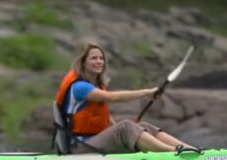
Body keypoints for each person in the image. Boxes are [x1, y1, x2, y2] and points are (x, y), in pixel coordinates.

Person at [55, 42, 195, 153]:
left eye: (101, 58)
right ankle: (174, 152)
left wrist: (124, 133)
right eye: (93, 58)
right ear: (83, 62)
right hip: (80, 146)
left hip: (94, 140)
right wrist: (146, 92)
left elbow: (105, 118)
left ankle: (192, 150)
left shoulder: (97, 85)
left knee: (141, 126)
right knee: (127, 126)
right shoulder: (80, 87)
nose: (99, 61)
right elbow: (112, 97)